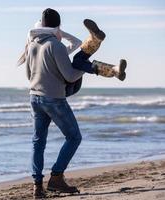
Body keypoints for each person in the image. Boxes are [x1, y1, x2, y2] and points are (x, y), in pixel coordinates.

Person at [20, 8, 127, 199]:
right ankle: (56, 178)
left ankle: (37, 187)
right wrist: (87, 70)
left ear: (41, 25)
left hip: (34, 98)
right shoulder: (56, 46)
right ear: (57, 26)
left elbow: (29, 76)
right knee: (74, 137)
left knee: (38, 142)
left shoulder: (32, 45)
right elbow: (69, 76)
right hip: (54, 99)